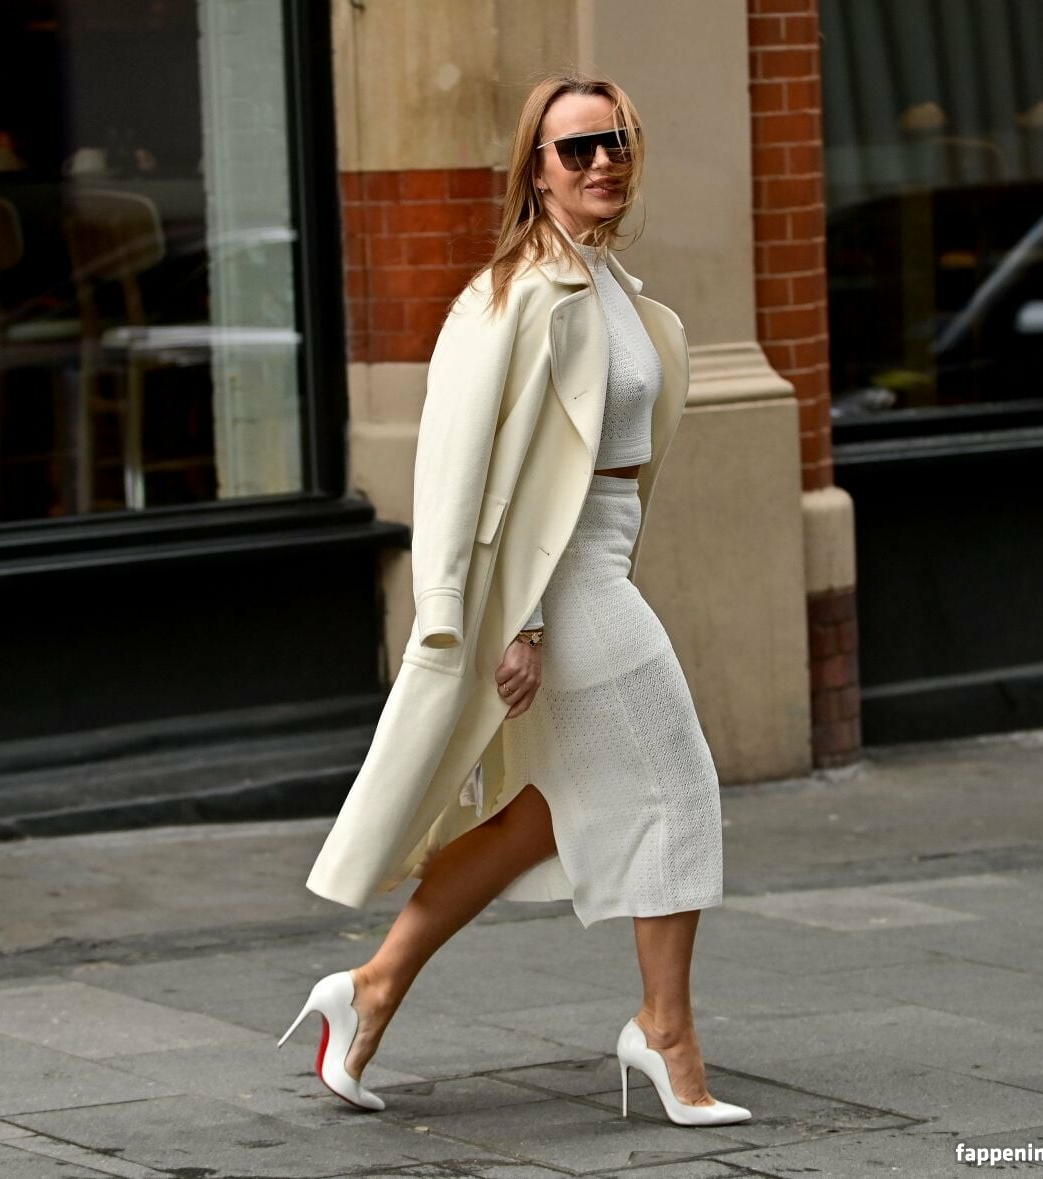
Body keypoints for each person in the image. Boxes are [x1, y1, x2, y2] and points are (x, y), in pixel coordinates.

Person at [278, 73, 751, 1129]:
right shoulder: (514, 295)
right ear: (535, 171)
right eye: (576, 149)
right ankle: (665, 1032)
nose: (601, 162)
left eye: (615, 141)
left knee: (545, 811)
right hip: (562, 582)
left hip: (603, 562)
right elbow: (454, 464)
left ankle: (370, 988)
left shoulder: (611, 284)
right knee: (679, 784)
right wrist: (503, 619)